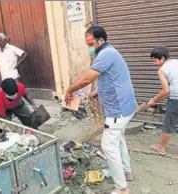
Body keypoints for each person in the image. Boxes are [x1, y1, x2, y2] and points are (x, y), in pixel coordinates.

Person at [65, 26, 137, 194]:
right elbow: (112, 77)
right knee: (118, 139)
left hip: (118, 109)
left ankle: (121, 188)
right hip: (125, 106)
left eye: (91, 44)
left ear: (101, 40)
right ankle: (126, 173)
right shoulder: (109, 52)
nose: (89, 48)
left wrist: (69, 90)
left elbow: (87, 78)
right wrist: (96, 93)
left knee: (108, 146)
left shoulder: (106, 54)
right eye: (87, 44)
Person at [148, 46, 178, 163]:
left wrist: (154, 100)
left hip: (177, 99)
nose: (154, 63)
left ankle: (161, 147)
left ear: (162, 58)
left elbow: (166, 91)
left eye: (155, 60)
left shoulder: (162, 70)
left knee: (169, 124)